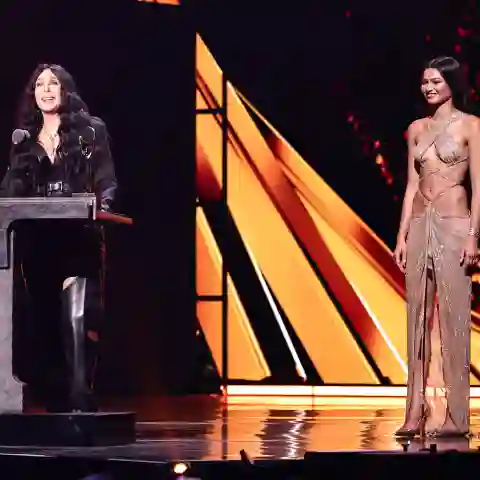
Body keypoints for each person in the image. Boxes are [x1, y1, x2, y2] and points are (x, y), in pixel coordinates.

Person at [0, 64, 117, 412]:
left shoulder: (90, 131)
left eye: (54, 83)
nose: (46, 89)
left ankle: (82, 392)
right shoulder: (23, 139)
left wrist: (104, 205)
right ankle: (55, 396)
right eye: (40, 84)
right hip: (38, 241)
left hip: (77, 235)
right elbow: (10, 191)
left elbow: (107, 180)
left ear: (66, 90)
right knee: (44, 319)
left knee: (78, 316)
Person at [393, 56, 480, 437]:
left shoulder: (472, 126)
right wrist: (401, 234)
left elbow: (479, 186)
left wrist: (474, 237)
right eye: (424, 80)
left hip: (455, 226)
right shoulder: (415, 129)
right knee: (416, 322)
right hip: (419, 224)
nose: (428, 87)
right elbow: (411, 185)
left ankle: (456, 416)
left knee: (454, 322)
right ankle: (415, 411)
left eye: (436, 81)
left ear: (451, 84)